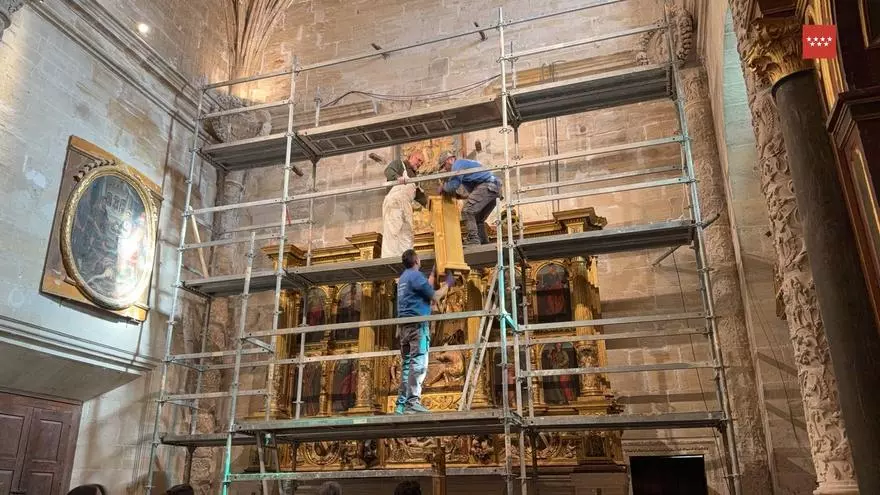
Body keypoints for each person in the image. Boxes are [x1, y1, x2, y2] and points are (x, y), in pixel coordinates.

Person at [395, 249, 449, 414]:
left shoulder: (404, 277)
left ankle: (401, 404)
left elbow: (424, 288)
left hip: (404, 327)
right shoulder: (415, 276)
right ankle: (413, 403)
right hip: (417, 326)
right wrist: (448, 283)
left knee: (406, 366)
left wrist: (434, 271)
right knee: (419, 363)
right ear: (417, 260)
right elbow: (435, 296)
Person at [437, 150, 502, 245]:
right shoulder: (465, 165)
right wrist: (458, 196)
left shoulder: (457, 165)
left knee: (467, 211)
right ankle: (483, 241)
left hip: (488, 186)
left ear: (449, 160)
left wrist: (443, 187)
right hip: (494, 188)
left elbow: (453, 185)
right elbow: (471, 193)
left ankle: (473, 240)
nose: (445, 169)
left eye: (443, 166)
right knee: (477, 218)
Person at [382, 151, 428, 258]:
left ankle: (406, 259)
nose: (420, 163)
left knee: (407, 233)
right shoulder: (399, 164)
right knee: (393, 230)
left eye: (422, 162)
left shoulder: (415, 178)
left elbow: (421, 196)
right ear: (411, 157)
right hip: (394, 202)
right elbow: (388, 171)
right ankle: (390, 258)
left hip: (406, 204)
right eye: (419, 160)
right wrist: (397, 177)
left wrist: (432, 204)